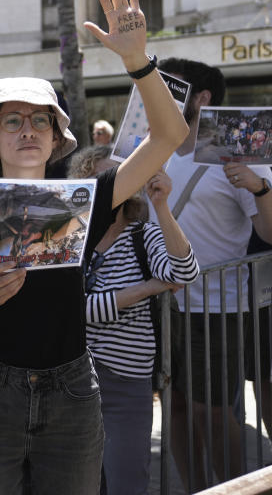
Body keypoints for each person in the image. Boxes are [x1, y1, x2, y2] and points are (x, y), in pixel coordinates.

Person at [0, 0, 189, 494]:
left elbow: (171, 134)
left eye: (39, 121)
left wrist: (137, 59)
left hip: (73, 392)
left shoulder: (85, 201)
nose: (27, 130)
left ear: (56, 138)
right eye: (12, 121)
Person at [149, 57, 272, 490]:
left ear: (202, 99)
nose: (159, 94)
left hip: (218, 308)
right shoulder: (149, 147)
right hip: (160, 305)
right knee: (177, 410)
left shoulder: (236, 152)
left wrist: (260, 187)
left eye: (172, 87)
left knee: (213, 414)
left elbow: (268, 231)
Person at [68, 145, 199, 495]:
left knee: (127, 483)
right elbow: (70, 311)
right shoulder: (67, 238)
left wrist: (161, 206)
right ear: (84, 183)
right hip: (68, 383)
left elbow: (184, 272)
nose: (115, 182)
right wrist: (146, 288)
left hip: (127, 384)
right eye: (105, 175)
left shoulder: (143, 235)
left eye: (125, 175)